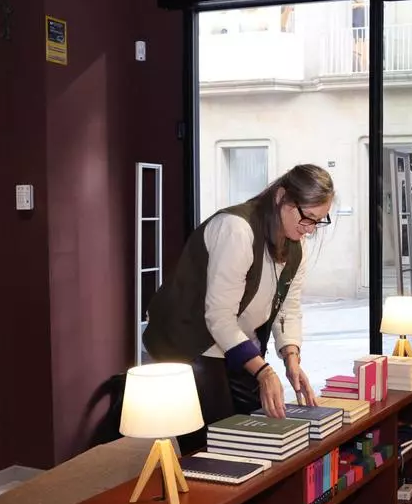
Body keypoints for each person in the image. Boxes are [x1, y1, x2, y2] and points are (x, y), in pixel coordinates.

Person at [142, 164, 334, 452]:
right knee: (216, 442)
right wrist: (264, 372)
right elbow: (219, 317)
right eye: (307, 217)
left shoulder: (297, 244)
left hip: (235, 341)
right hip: (189, 340)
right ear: (281, 196)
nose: (310, 229)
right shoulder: (237, 229)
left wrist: (291, 358)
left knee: (258, 428)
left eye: (318, 221)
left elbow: (288, 306)